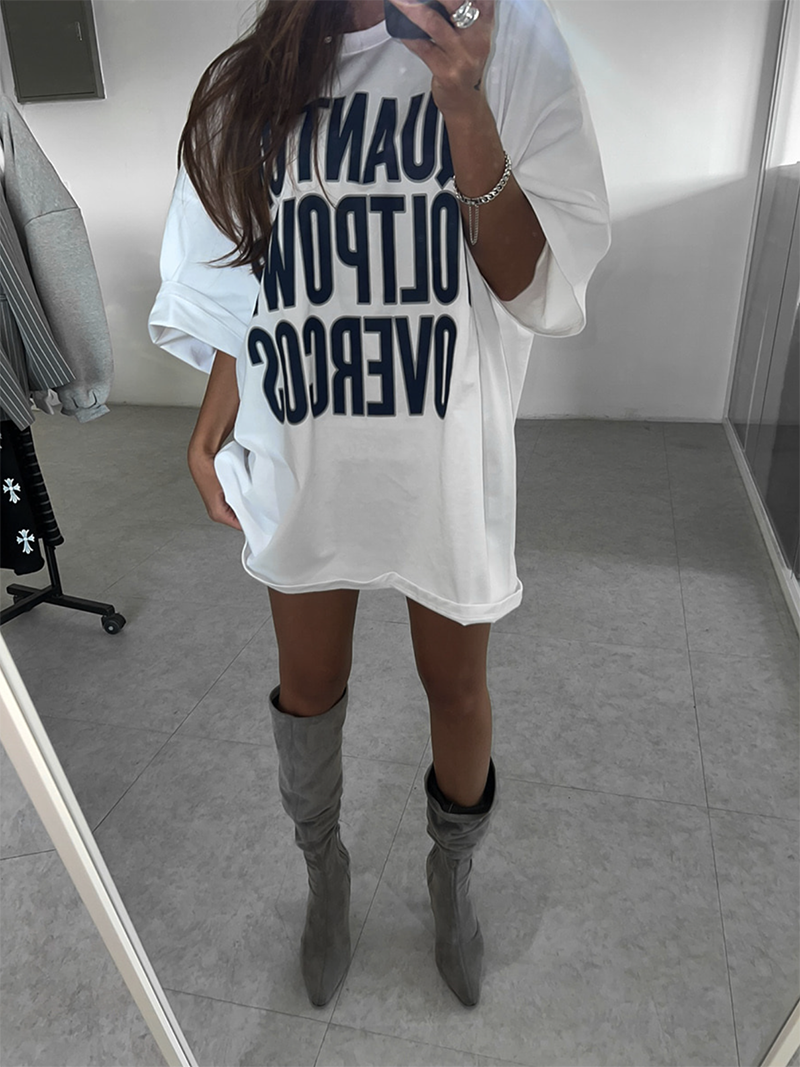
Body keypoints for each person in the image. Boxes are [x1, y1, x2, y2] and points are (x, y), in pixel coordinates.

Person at [148, 0, 611, 1010]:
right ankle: (325, 873)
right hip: (305, 437)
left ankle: (453, 874)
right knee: (308, 684)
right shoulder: (256, 76)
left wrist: (463, 100)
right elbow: (246, 272)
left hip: (442, 446)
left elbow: (533, 283)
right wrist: (213, 416)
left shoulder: (514, 45)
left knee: (457, 686)